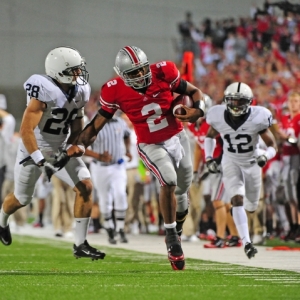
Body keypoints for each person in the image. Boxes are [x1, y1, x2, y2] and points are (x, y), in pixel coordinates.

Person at [54, 46, 206, 270]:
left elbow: (194, 92)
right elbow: (96, 125)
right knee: (169, 179)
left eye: (141, 69)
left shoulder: (164, 72)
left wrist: (198, 111)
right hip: (150, 143)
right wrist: (76, 145)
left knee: (183, 189)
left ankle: (177, 228)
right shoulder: (114, 90)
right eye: (132, 73)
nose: (139, 75)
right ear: (122, 75)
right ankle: (172, 237)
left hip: (177, 137)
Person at [0, 46, 105, 261]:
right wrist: (40, 161)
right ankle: (2, 220)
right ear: (60, 71)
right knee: (22, 199)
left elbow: (77, 127)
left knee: (85, 186)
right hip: (33, 149)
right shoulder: (43, 89)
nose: (79, 74)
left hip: (60, 148)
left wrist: (77, 146)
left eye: (79, 69)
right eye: (74, 70)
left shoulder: (80, 91)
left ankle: (80, 244)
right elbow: (26, 130)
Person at [204, 82, 277, 259]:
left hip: (252, 162)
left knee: (251, 206)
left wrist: (265, 156)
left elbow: (272, 145)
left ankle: (248, 232)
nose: (236, 105)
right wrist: (208, 158)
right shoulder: (218, 115)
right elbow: (210, 136)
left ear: (249, 102)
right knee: (236, 199)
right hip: (231, 161)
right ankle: (246, 242)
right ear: (226, 101)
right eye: (232, 101)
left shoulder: (258, 117)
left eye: (240, 101)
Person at [85, 114, 132, 244]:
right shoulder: (93, 123)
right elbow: (80, 146)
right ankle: (110, 227)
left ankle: (121, 228)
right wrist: (98, 156)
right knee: (105, 198)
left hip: (118, 165)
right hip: (100, 167)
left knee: (121, 194)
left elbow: (127, 135)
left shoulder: (120, 121)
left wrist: (127, 150)